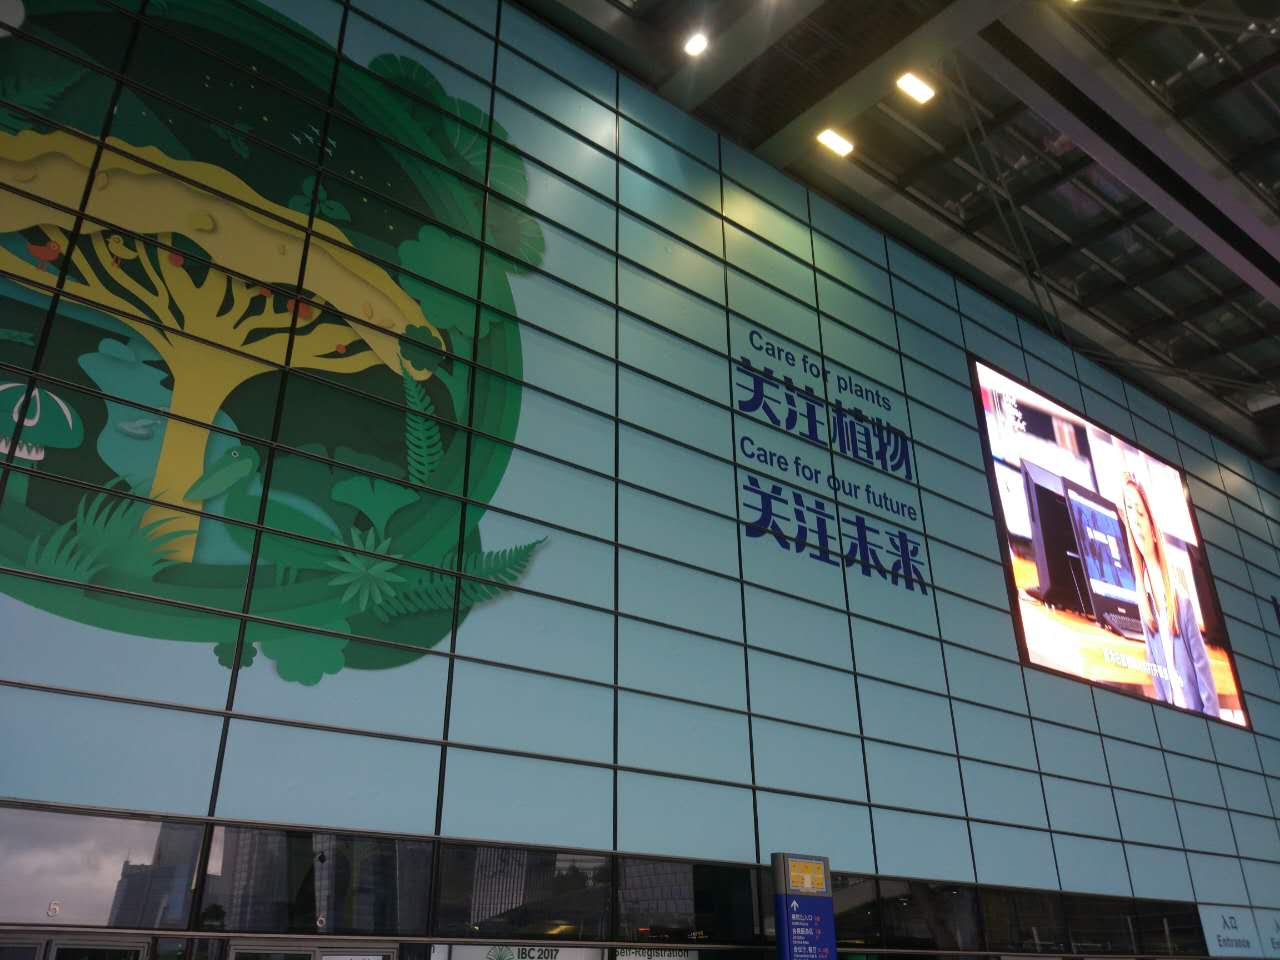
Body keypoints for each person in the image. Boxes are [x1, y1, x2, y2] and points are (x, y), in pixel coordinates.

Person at [1118, 473, 1219, 716]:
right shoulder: (1144, 604)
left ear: (1154, 530)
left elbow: (1205, 681)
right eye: (1130, 513)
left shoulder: (1181, 601)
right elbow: (1158, 680)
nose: (1135, 520)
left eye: (1140, 512)